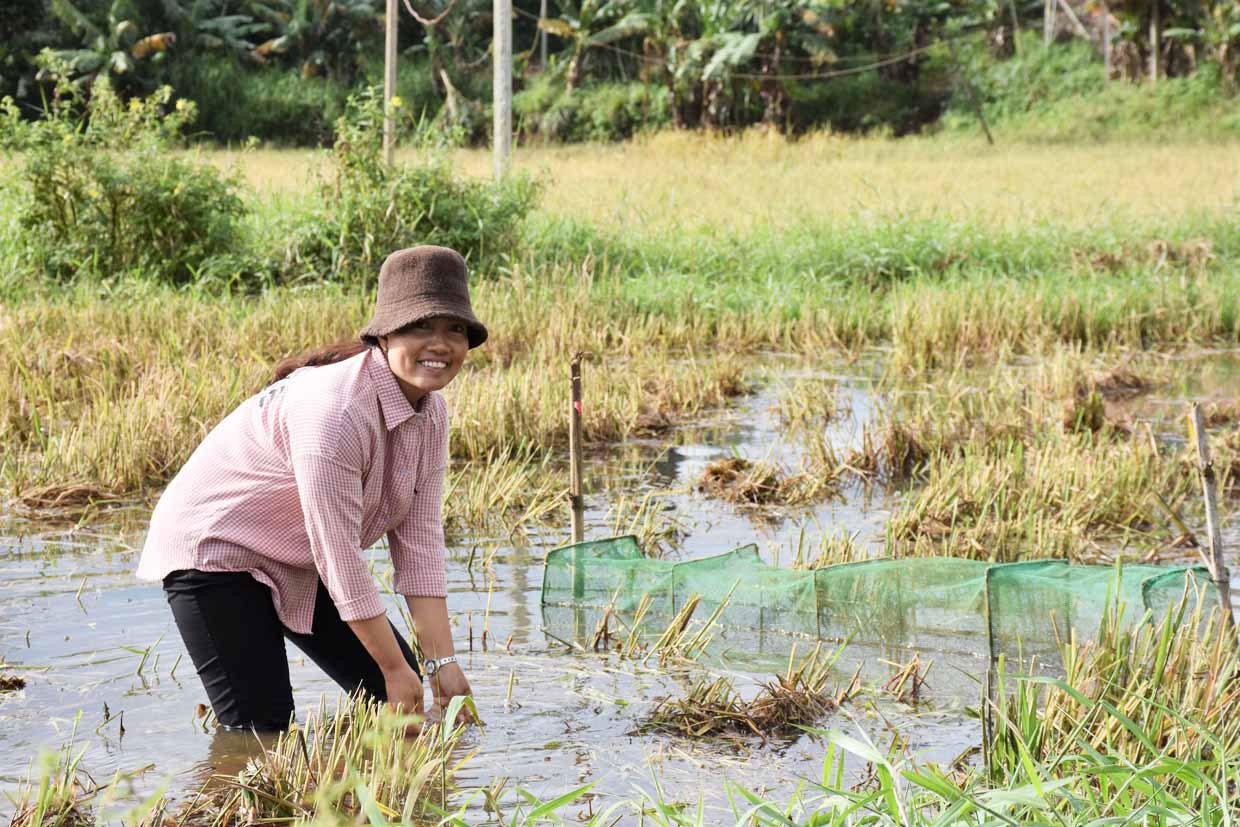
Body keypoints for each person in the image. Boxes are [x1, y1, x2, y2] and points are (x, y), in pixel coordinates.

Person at [137, 245, 483, 731]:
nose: (440, 344)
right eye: (420, 327)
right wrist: (392, 667)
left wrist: (441, 666)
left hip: (295, 555)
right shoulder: (338, 412)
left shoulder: (432, 413)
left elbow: (420, 546)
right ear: (384, 336)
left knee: (402, 700)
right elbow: (339, 555)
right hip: (216, 551)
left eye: (455, 329)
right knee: (263, 731)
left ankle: (378, 802)